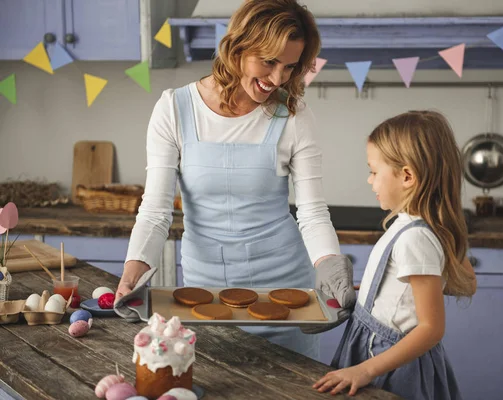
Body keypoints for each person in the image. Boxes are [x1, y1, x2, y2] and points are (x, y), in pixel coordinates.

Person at [114, 0, 356, 360]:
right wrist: (134, 269)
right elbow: (155, 212)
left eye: (290, 66)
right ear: (238, 47)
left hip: (286, 296)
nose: (278, 79)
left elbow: (312, 212)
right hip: (203, 299)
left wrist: (328, 262)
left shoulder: (293, 116)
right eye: (269, 62)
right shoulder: (174, 109)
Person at [313, 111, 477, 399]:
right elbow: (430, 288)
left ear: (407, 176)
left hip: (391, 365)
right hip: (376, 351)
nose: (369, 180)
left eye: (374, 172)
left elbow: (431, 328)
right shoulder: (416, 224)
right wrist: (373, 294)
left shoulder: (415, 237)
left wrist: (364, 370)